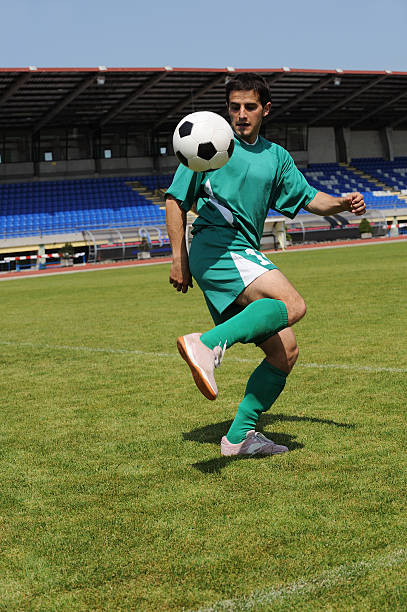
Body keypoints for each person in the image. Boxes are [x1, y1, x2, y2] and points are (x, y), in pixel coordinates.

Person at [165, 72, 366, 457]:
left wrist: (342, 203)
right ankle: (204, 345)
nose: (241, 114)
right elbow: (175, 200)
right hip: (217, 248)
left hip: (243, 253)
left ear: (265, 110)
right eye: (235, 107)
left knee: (284, 352)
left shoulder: (276, 157)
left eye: (250, 107)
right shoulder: (210, 141)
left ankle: (239, 437)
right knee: (294, 305)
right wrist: (179, 258)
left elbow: (308, 198)